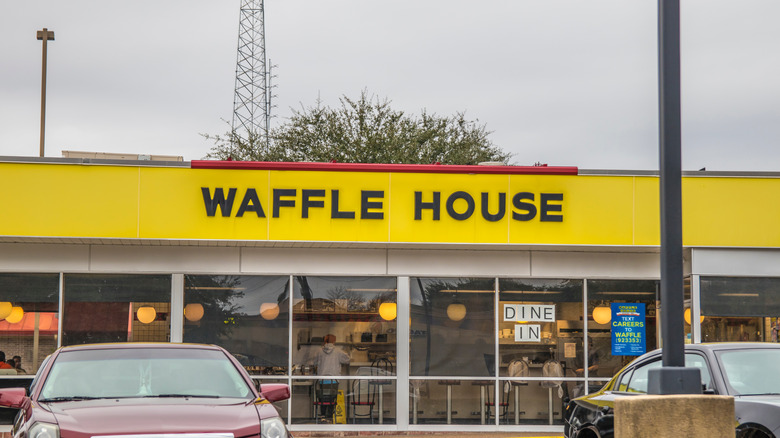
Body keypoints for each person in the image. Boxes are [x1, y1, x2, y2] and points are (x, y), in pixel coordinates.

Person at [310, 334, 350, 423]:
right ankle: (330, 417)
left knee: (323, 399)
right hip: (334, 380)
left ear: (325, 341)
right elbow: (347, 359)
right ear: (334, 341)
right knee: (332, 399)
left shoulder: (319, 352)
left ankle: (323, 416)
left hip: (322, 380)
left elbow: (314, 362)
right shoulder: (339, 352)